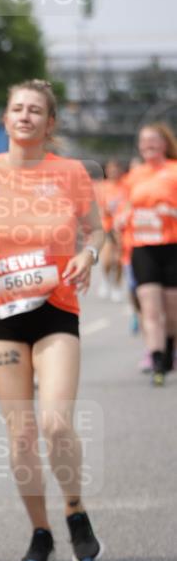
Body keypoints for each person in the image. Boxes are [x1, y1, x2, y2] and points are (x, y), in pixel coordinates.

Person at [0, 79, 105, 561]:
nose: (24, 116)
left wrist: (87, 254)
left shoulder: (71, 173)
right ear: (5, 118)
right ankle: (40, 530)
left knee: (55, 421)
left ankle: (75, 508)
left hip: (56, 305)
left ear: (50, 123)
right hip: (0, 308)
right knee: (20, 433)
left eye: (35, 110)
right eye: (16, 108)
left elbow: (97, 229)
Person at [116, 123, 177, 386]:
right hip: (141, 247)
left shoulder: (174, 171)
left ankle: (170, 349)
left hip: (171, 246)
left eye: (153, 141)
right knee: (150, 309)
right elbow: (121, 210)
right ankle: (157, 361)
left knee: (172, 312)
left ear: (164, 143)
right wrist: (122, 218)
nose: (148, 146)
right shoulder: (133, 176)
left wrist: (170, 213)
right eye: (143, 142)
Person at [94, 159, 126, 302]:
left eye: (116, 168)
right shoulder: (101, 187)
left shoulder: (126, 186)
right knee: (107, 260)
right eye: (110, 169)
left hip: (122, 228)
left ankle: (117, 286)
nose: (113, 172)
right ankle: (106, 280)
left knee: (118, 260)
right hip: (106, 226)